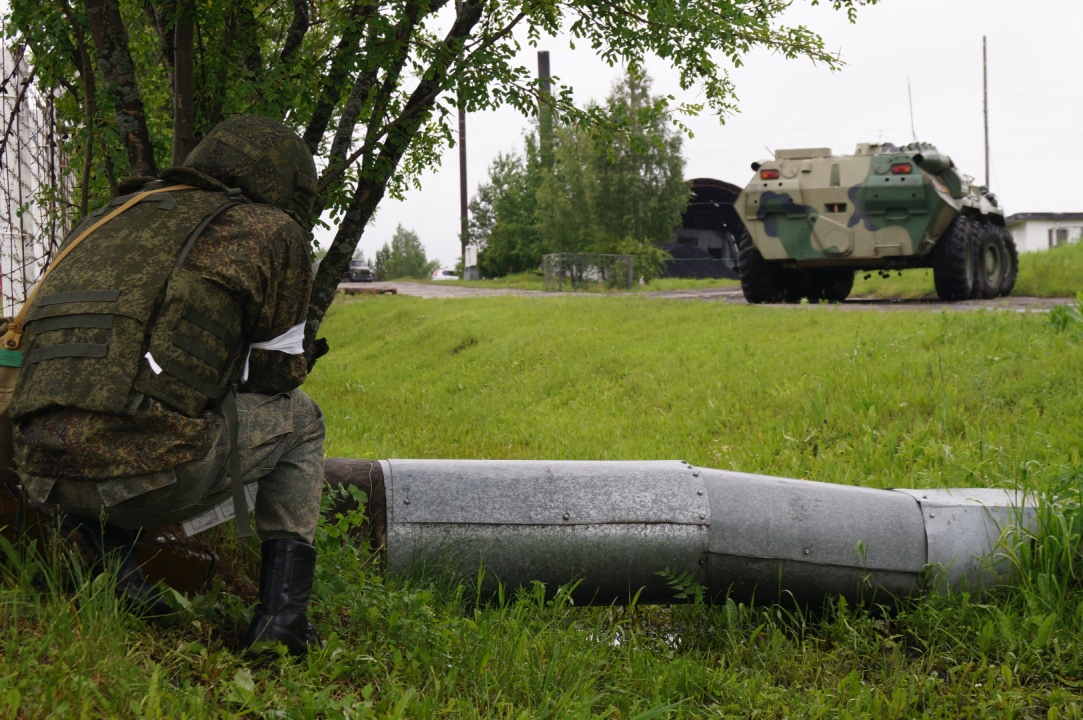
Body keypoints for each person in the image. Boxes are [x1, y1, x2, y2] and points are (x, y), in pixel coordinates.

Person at [8, 114, 325, 657]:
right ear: (287, 182)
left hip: (37, 473)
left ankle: (117, 575)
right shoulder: (272, 231)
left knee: (99, 409)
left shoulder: (113, 213)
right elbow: (276, 375)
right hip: (147, 479)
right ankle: (282, 622)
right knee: (303, 420)